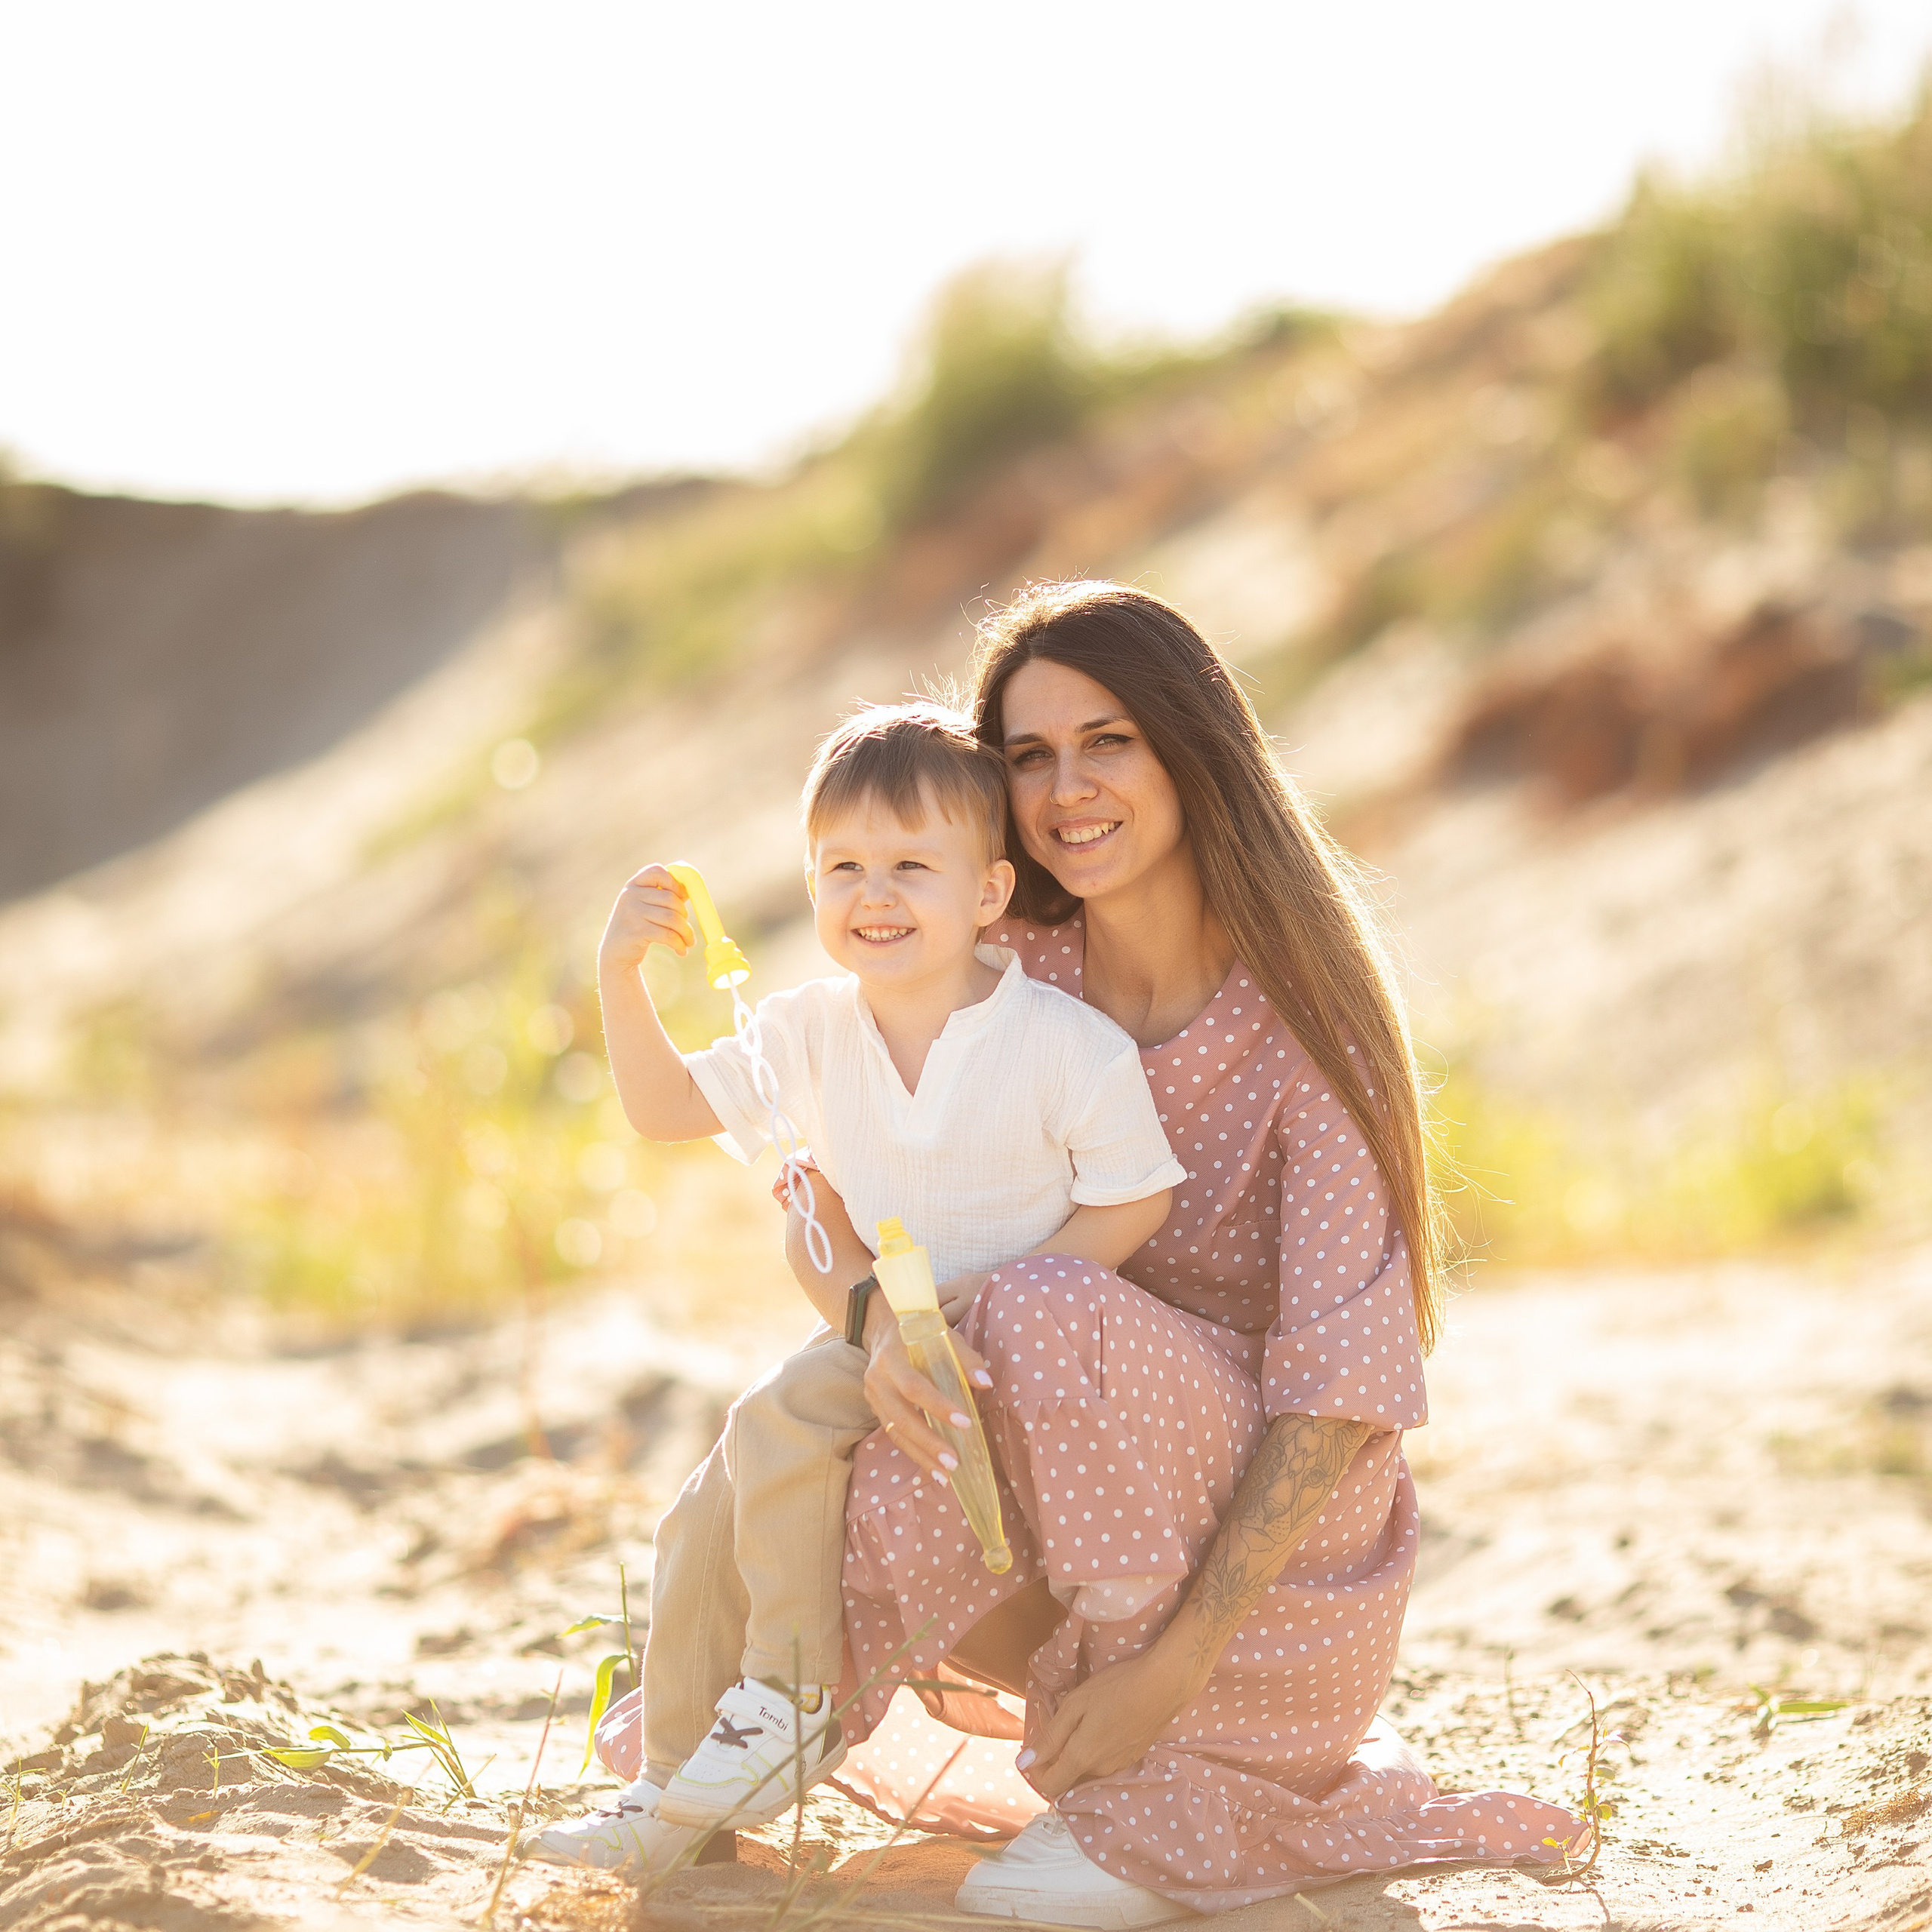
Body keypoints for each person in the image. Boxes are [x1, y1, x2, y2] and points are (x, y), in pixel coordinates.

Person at [799, 583, 1583, 1926]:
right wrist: (874, 1330)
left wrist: (1174, 1665)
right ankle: (933, 1720)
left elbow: (1340, 1400)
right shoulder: (1008, 973)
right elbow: (818, 1163)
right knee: (840, 1409)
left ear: (1187, 749)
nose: (1066, 789)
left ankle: (1182, 1757)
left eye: (1108, 742)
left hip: (1265, 1594)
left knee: (1045, 1295)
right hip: (1076, 1516)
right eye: (1031, 756)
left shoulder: (1303, 1030)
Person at [533, 700, 1183, 1872]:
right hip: (893, 1340)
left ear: (988, 895)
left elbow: (1138, 1197)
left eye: (909, 868)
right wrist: (620, 975)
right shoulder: (812, 1030)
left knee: (776, 1418)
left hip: (1022, 1347)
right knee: (701, 1511)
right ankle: (672, 1792)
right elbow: (664, 1106)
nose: (873, 896)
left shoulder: (1063, 1044)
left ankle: (788, 1700)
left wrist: (1017, 1305)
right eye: (843, 868)